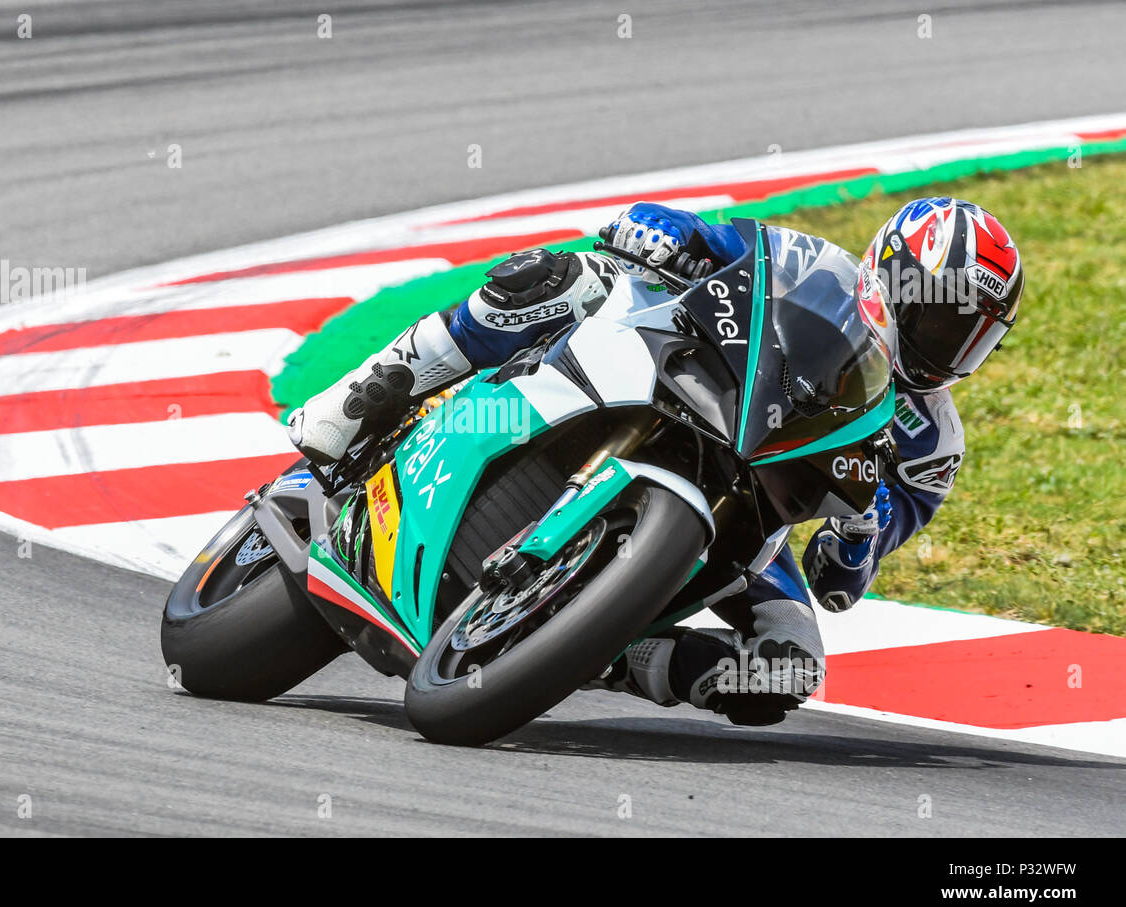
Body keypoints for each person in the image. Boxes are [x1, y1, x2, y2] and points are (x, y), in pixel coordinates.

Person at [286, 197, 1023, 725]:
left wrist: (864, 527)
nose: (948, 345)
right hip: (672, 375)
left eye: (973, 334)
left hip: (757, 513)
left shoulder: (934, 444)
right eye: (942, 314)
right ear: (893, 274)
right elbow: (692, 232)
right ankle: (362, 396)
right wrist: (657, 231)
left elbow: (839, 585)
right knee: (552, 277)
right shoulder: (817, 270)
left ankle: (607, 649)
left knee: (787, 663)